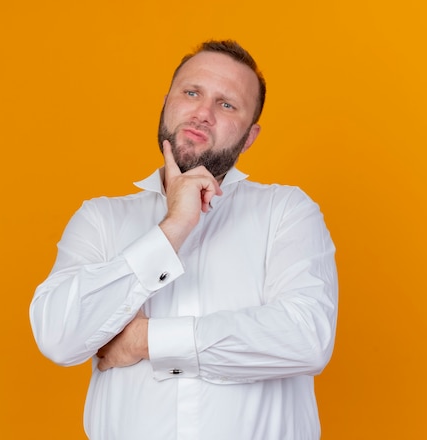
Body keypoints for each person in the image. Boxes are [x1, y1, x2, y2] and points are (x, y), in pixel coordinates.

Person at [30, 40, 338, 440]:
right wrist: (173, 227)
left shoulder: (287, 212)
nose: (203, 113)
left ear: (249, 136)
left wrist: (145, 341)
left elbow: (305, 337)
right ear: (166, 103)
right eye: (191, 92)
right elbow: (58, 336)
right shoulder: (100, 219)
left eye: (227, 105)